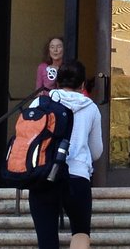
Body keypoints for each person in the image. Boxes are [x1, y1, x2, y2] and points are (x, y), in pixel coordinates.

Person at [28, 60, 103, 249]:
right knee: (80, 232)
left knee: (46, 240)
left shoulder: (41, 102)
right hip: (77, 176)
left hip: (44, 176)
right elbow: (96, 150)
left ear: (57, 81)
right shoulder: (91, 108)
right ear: (82, 84)